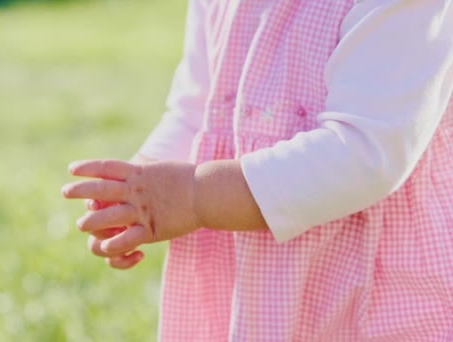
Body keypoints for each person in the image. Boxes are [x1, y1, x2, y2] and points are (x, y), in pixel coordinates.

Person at [62, 0, 453, 340]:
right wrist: (138, 193)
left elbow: (367, 152)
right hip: (238, 272)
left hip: (365, 282)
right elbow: (195, 110)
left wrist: (197, 196)